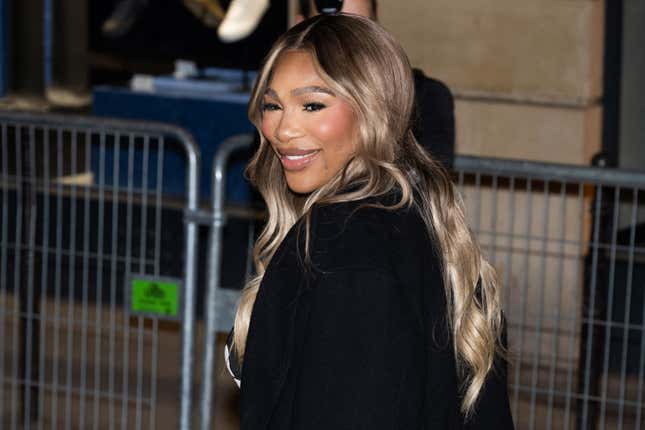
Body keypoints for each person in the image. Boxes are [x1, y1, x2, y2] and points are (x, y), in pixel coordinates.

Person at [225, 14, 514, 429]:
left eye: (313, 105)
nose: (283, 129)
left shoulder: (343, 246)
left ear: (373, 110)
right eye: (272, 105)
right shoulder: (425, 218)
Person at [296, 0, 456, 169]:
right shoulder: (276, 95)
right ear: (299, 27)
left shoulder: (424, 96)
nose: (344, 45)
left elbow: (430, 185)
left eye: (359, 30)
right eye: (328, 32)